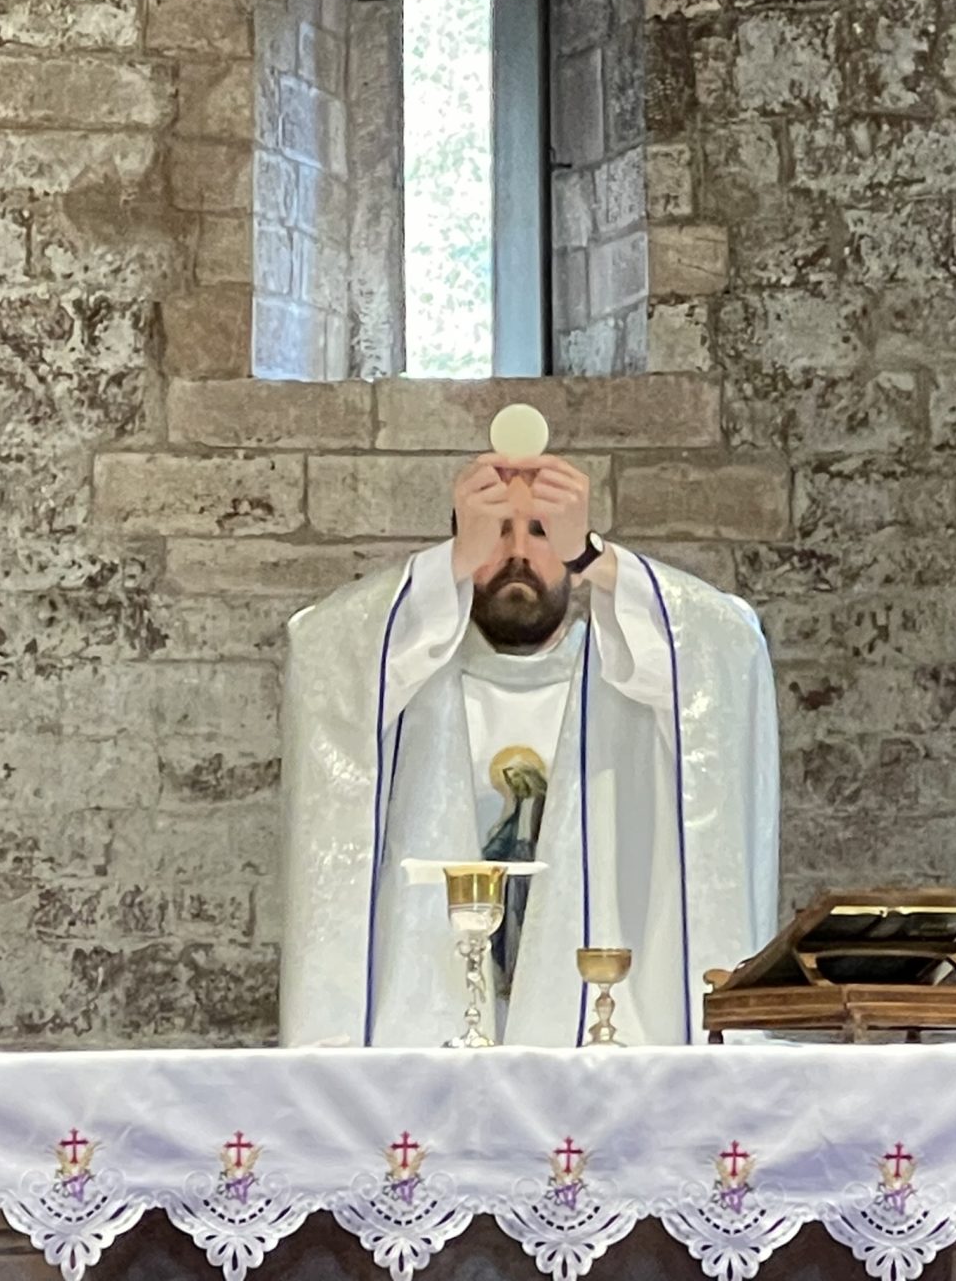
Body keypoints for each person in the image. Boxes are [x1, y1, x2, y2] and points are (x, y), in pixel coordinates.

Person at [278, 448, 779, 1047]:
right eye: (494, 531)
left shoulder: (637, 677)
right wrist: (450, 563)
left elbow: (730, 646)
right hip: (424, 1043)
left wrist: (594, 557)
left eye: (542, 532)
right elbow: (321, 648)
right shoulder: (406, 675)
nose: (517, 553)